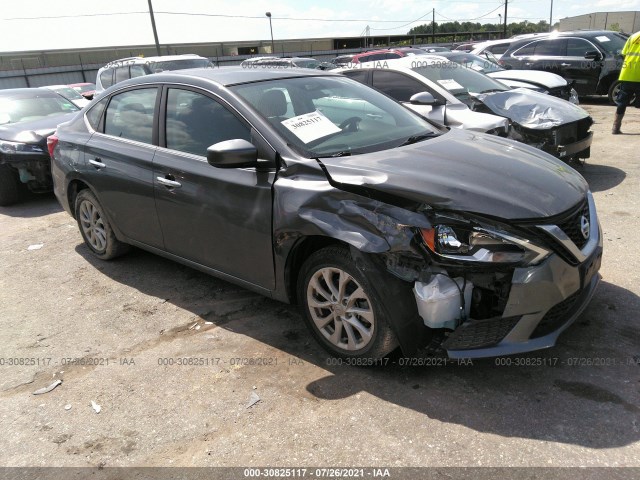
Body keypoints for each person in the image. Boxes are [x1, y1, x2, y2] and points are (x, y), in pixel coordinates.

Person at [613, 30, 640, 134]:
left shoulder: (633, 36)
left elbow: (624, 54)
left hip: (627, 74)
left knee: (622, 102)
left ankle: (615, 127)